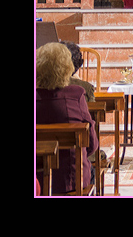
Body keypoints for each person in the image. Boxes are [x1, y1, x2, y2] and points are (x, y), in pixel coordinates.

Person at [36, 42, 98, 195]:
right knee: (91, 171)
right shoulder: (76, 94)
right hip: (71, 180)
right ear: (67, 68)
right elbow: (91, 144)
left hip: (37, 180)